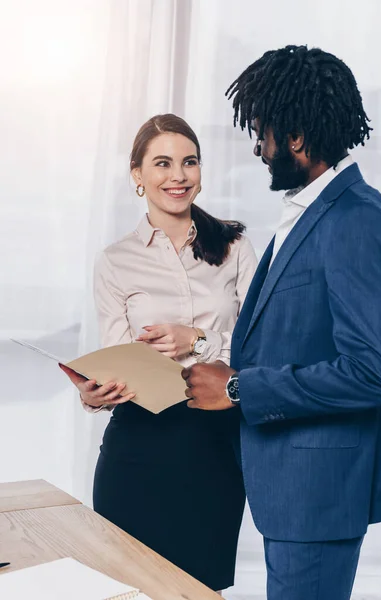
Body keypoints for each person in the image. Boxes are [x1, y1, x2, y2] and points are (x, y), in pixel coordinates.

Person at [181, 45, 381, 600]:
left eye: (263, 131)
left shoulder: (355, 219)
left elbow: (378, 369)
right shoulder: (311, 212)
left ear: (296, 137)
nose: (257, 145)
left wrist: (239, 387)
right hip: (291, 491)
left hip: (317, 497)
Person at [60, 113, 258, 592]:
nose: (178, 176)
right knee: (127, 587)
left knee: (199, 588)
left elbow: (259, 349)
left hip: (213, 445)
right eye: (163, 163)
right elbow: (116, 354)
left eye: (189, 163)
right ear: (137, 175)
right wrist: (94, 394)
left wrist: (199, 342)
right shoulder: (114, 260)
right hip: (137, 445)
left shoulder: (235, 248)